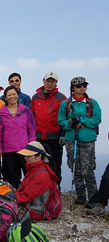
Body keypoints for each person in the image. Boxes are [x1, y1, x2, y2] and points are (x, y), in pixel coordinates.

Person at [58, 77, 101, 205]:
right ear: (73, 88)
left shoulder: (92, 103)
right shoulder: (66, 104)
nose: (82, 88)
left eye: (84, 85)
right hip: (71, 139)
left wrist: (82, 121)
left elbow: (97, 119)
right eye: (78, 86)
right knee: (75, 167)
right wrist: (70, 123)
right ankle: (80, 195)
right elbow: (61, 120)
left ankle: (93, 198)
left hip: (87, 139)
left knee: (88, 168)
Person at [0, 86, 36, 188]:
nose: (12, 96)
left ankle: (29, 195)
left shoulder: (26, 110)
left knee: (28, 173)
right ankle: (15, 198)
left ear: (17, 95)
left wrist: (32, 145)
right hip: (8, 149)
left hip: (25, 148)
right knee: (12, 175)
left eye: (14, 94)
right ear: (5, 97)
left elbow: (31, 129)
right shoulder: (1, 113)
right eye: (9, 95)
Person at [31, 72, 66, 184]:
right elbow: (32, 117)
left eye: (53, 81)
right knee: (38, 164)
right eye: (48, 81)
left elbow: (65, 117)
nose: (50, 83)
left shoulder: (61, 98)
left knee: (55, 164)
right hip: (38, 137)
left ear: (56, 83)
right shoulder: (35, 97)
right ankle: (41, 188)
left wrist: (63, 134)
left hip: (55, 137)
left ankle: (55, 189)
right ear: (43, 81)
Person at [15, 141, 59, 221]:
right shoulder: (34, 170)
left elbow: (25, 197)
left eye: (29, 155)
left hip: (34, 212)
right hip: (29, 208)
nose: (25, 158)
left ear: (39, 156)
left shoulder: (42, 175)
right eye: (25, 155)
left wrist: (9, 197)